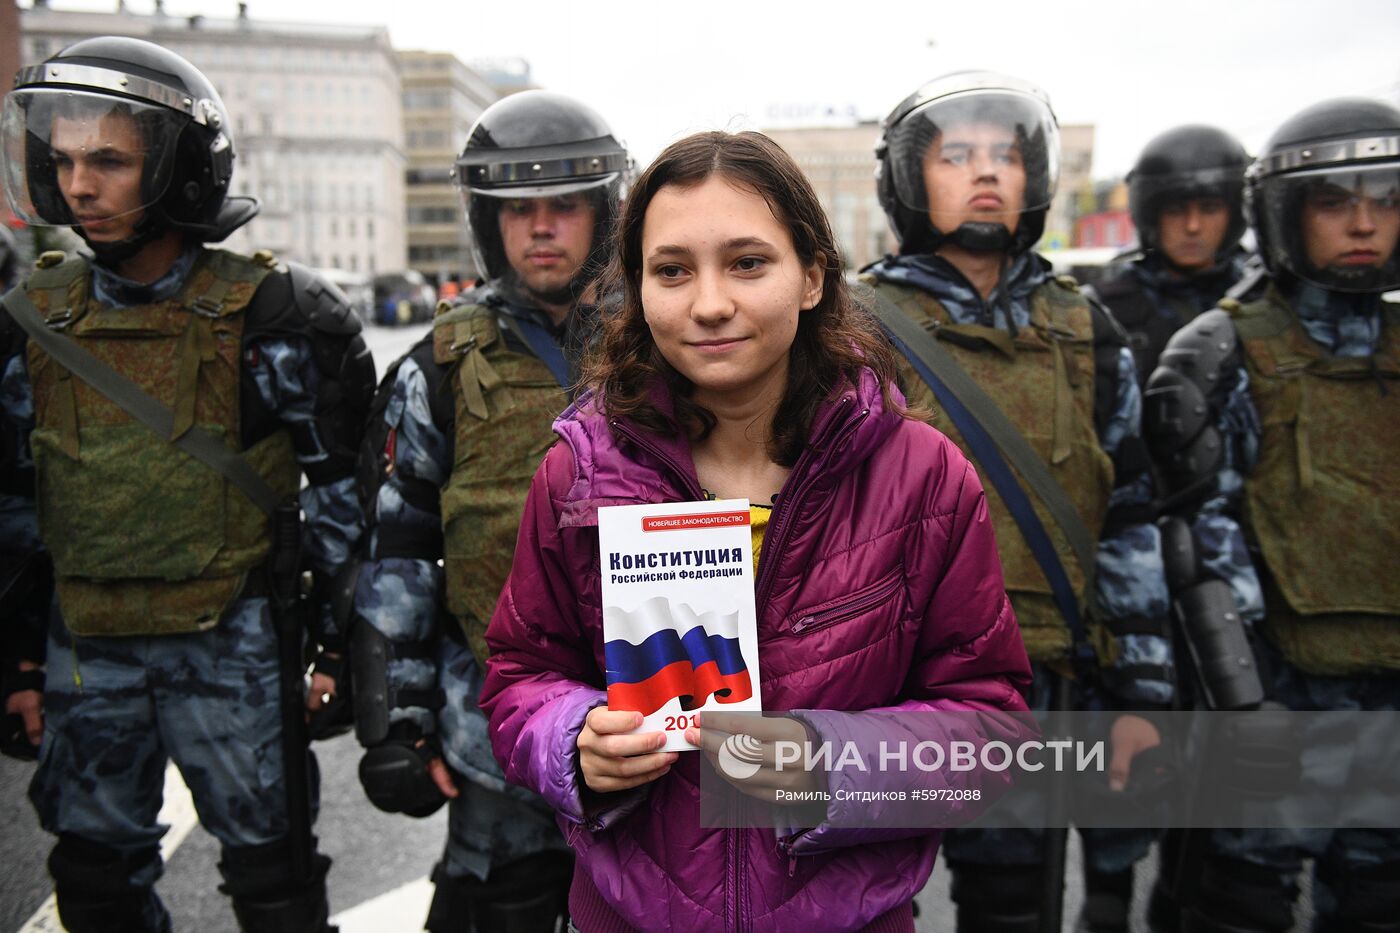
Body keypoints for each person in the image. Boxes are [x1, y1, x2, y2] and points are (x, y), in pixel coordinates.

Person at [478, 129, 1031, 933]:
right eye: (672, 270)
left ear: (811, 277)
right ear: (637, 289)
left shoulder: (924, 477)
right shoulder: (578, 474)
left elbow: (991, 729)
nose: (708, 303)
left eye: (747, 262)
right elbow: (519, 676)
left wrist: (827, 764)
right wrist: (573, 742)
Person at [0, 37, 374, 932]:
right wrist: (17, 657)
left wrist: (335, 655)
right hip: (86, 648)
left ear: (179, 168)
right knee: (94, 878)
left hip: (236, 642)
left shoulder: (281, 318)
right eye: (64, 161)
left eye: (110, 161)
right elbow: (18, 505)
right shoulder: (29, 323)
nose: (80, 186)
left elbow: (342, 507)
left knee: (274, 876)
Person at [860, 71, 1174, 933]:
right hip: (886, 687)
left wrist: (1141, 694)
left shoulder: (1085, 331)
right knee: (859, 903)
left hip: (1038, 683)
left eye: (1004, 154)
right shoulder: (850, 328)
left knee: (1011, 906)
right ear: (910, 178)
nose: (985, 173)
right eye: (956, 155)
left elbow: (1130, 517)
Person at [350, 89, 629, 931]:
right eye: (517, 208)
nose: (540, 227)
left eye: (564, 205)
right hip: (497, 720)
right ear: (487, 219)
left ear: (605, 212)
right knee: (497, 907)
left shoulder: (672, 340)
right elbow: (397, 551)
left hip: (663, 709)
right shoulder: (438, 363)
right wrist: (397, 718)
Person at [1144, 97, 1400, 933]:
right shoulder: (1219, 351)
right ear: (1287, 214)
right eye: (1334, 202)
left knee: (1377, 898)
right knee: (1238, 900)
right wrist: (1244, 706)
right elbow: (1197, 545)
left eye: (1386, 199)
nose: (1364, 223)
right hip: (1275, 693)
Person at [1090, 125, 1252, 388]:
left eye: (1210, 209)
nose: (1192, 226)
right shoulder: (1105, 310)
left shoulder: (1259, 302)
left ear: (1233, 215)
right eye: (1175, 211)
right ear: (1153, 216)